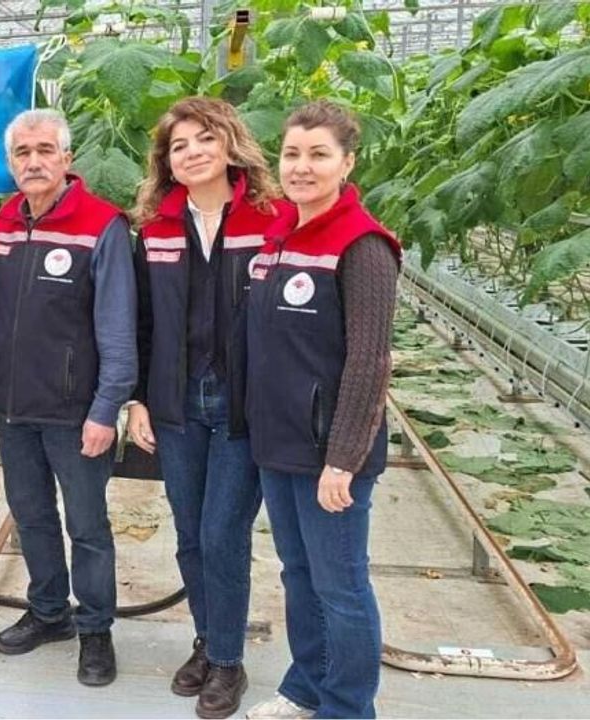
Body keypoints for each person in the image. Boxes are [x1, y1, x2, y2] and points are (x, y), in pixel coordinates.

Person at [124, 97, 287, 718]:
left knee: (223, 533)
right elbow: (142, 324)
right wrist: (138, 400)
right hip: (177, 403)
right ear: (166, 161)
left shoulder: (271, 221)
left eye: (204, 139)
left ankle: (228, 661)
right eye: (178, 145)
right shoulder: (156, 230)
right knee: (190, 534)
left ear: (230, 145)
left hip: (245, 406)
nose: (191, 152)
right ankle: (208, 641)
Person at [243, 101, 400, 720]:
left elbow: (369, 362)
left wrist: (344, 459)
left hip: (330, 453)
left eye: (318, 155)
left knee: (341, 585)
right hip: (278, 441)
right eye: (291, 154)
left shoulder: (362, 245)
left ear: (347, 163)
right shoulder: (278, 236)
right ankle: (307, 687)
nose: (301, 167)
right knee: (298, 573)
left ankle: (348, 707)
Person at [0, 108, 136, 687]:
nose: (34, 161)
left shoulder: (101, 225)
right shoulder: (4, 223)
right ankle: (48, 612)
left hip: (75, 413)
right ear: (11, 162)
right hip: (13, 407)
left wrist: (106, 409)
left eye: (45, 150)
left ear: (67, 158)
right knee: (32, 516)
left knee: (87, 526)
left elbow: (118, 328)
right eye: (23, 152)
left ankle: (95, 629)